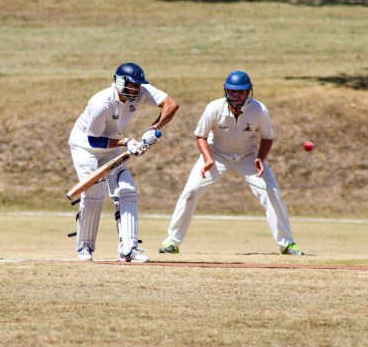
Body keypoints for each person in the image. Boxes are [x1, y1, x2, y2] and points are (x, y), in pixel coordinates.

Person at [159, 70, 305, 256]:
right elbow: (201, 136)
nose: (236, 95)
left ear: (248, 92)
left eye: (240, 91)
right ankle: (172, 242)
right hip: (216, 155)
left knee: (272, 193)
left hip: (248, 157)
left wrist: (260, 158)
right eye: (232, 91)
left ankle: (287, 244)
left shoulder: (259, 110)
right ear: (226, 91)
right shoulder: (214, 108)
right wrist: (208, 159)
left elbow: (267, 138)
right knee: (190, 192)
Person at [69, 62, 179, 262]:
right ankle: (84, 246)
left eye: (138, 85)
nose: (136, 90)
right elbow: (94, 140)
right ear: (120, 82)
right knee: (95, 193)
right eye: (132, 85)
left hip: (112, 144)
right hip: (85, 147)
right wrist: (126, 142)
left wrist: (154, 128)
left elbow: (171, 104)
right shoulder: (101, 103)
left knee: (127, 189)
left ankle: (129, 249)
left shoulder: (141, 90)